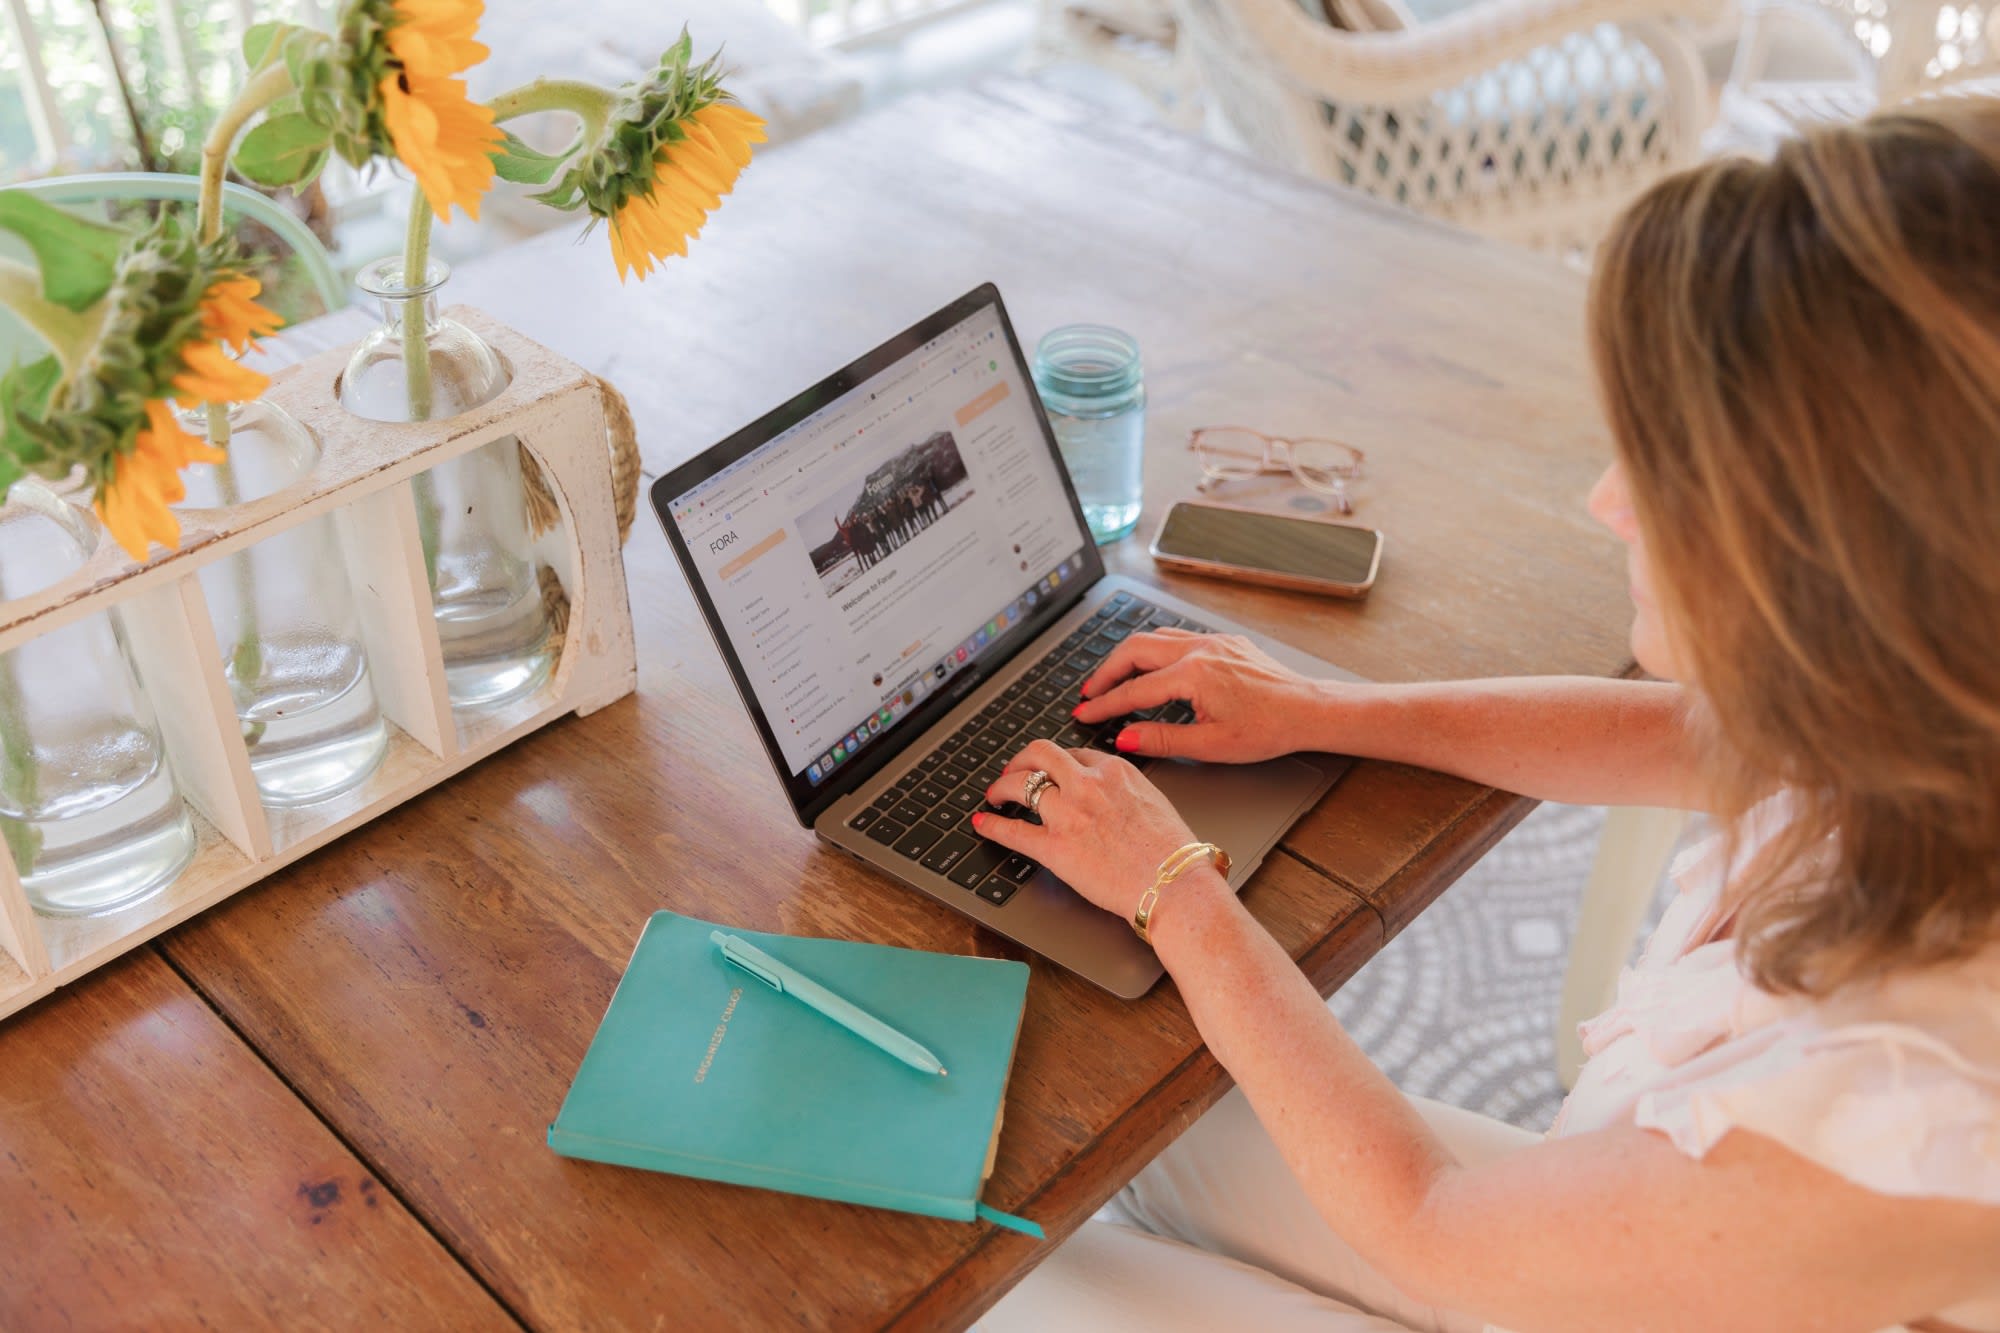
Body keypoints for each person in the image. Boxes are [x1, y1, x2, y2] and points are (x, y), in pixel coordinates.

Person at [974, 103, 2000, 1333]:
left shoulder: (1908, 1123)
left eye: (1669, 469)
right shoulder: (1926, 724)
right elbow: (1689, 735)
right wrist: (1319, 707)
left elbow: (1433, 1229)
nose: (1606, 500)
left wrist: (1173, 888)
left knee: (1023, 1277)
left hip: (1512, 1255)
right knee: (1133, 1152)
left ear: (1843, 560)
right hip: (1621, 1232)